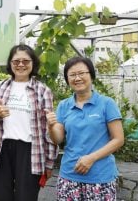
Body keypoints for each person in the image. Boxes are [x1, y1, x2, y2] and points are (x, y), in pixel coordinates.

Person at [0, 44, 59, 201]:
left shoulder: (42, 90)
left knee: (27, 196)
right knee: (2, 196)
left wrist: (50, 162)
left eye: (26, 61)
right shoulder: (1, 87)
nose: (20, 65)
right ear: (10, 64)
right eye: (16, 61)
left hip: (31, 151)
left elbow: (48, 129)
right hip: (1, 149)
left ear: (33, 63)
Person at [46, 56, 124, 200]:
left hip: (100, 177)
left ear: (91, 75)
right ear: (67, 79)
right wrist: (51, 127)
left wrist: (91, 158)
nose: (77, 78)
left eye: (82, 73)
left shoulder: (106, 104)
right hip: (69, 176)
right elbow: (58, 139)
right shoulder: (64, 105)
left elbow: (118, 139)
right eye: (72, 75)